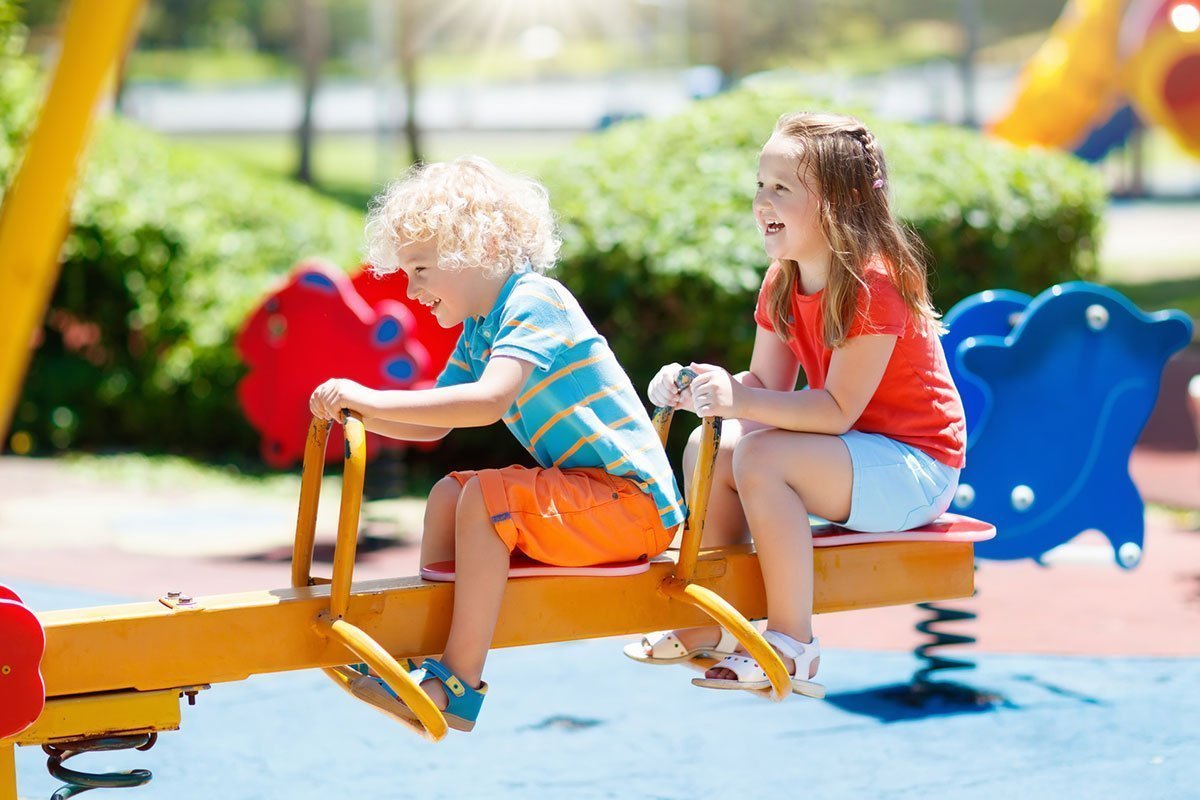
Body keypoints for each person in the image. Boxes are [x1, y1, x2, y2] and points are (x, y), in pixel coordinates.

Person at [309, 156, 686, 731]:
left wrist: (371, 398)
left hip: (635, 506)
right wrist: (359, 409)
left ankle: (456, 685)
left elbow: (487, 401)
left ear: (479, 248)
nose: (411, 290)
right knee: (448, 496)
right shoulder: (480, 328)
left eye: (421, 269)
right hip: (594, 495)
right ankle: (420, 656)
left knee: (488, 499)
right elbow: (434, 425)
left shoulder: (536, 301)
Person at [625, 112, 965, 698]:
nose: (763, 201)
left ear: (841, 202)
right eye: (760, 184)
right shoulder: (784, 279)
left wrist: (739, 398)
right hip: (851, 453)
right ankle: (715, 621)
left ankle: (793, 644)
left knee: (762, 458)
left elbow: (836, 410)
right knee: (715, 443)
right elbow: (765, 384)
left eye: (782, 188)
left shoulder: (873, 284)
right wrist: (702, 386)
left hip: (917, 466)